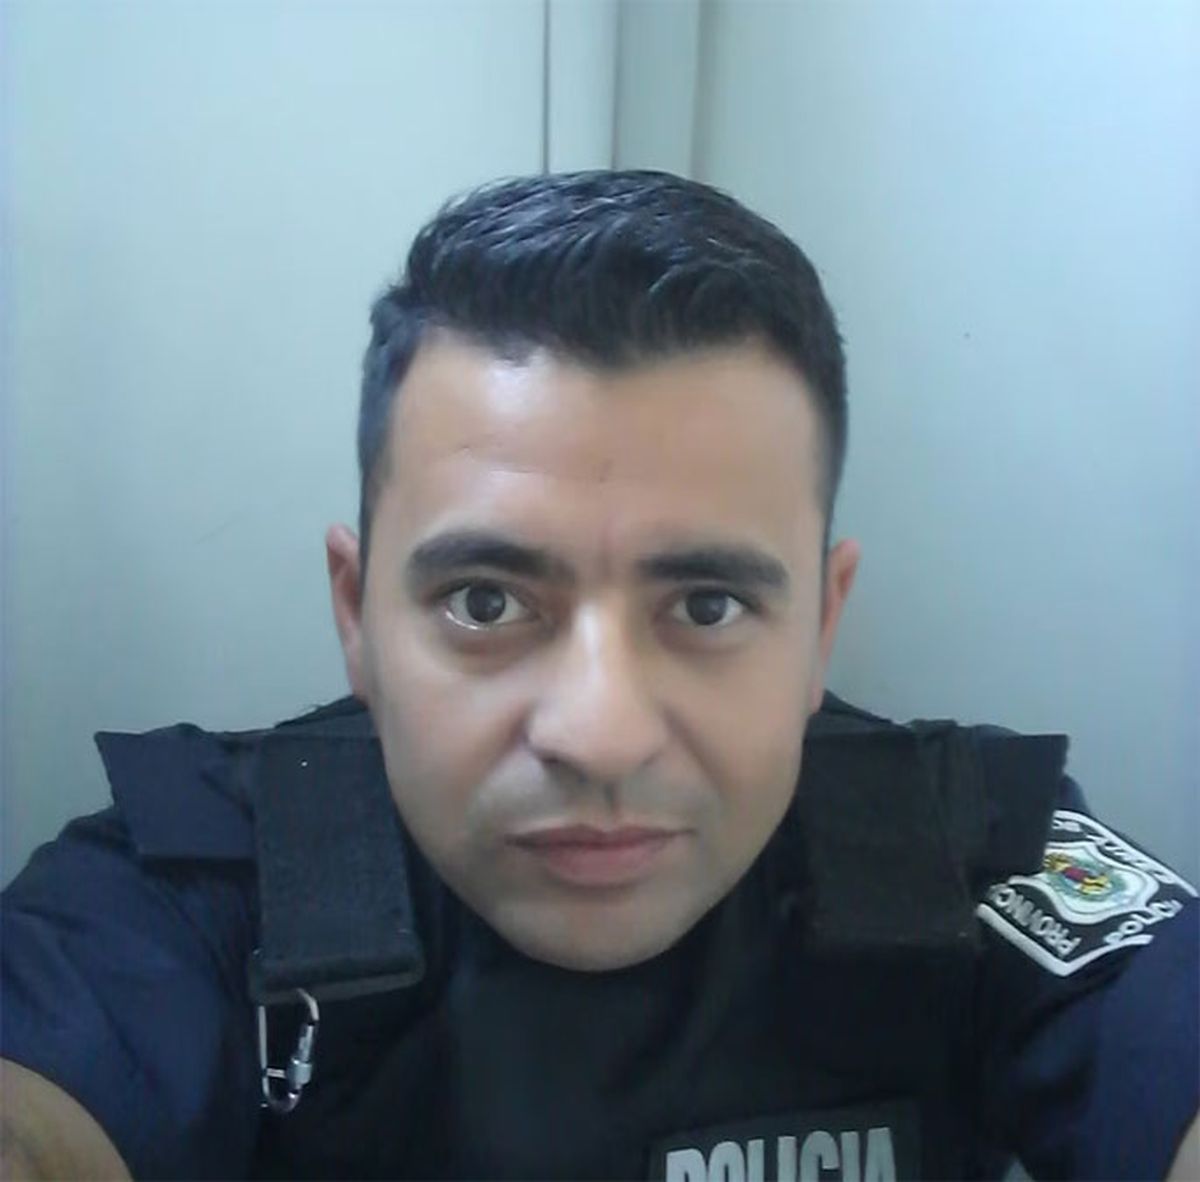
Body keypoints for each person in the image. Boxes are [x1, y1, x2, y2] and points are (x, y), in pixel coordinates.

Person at [1, 170, 1196, 1181]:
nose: (601, 733)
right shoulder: (191, 896)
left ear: (822, 625)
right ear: (354, 614)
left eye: (708, 605)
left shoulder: (962, 857)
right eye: (486, 602)